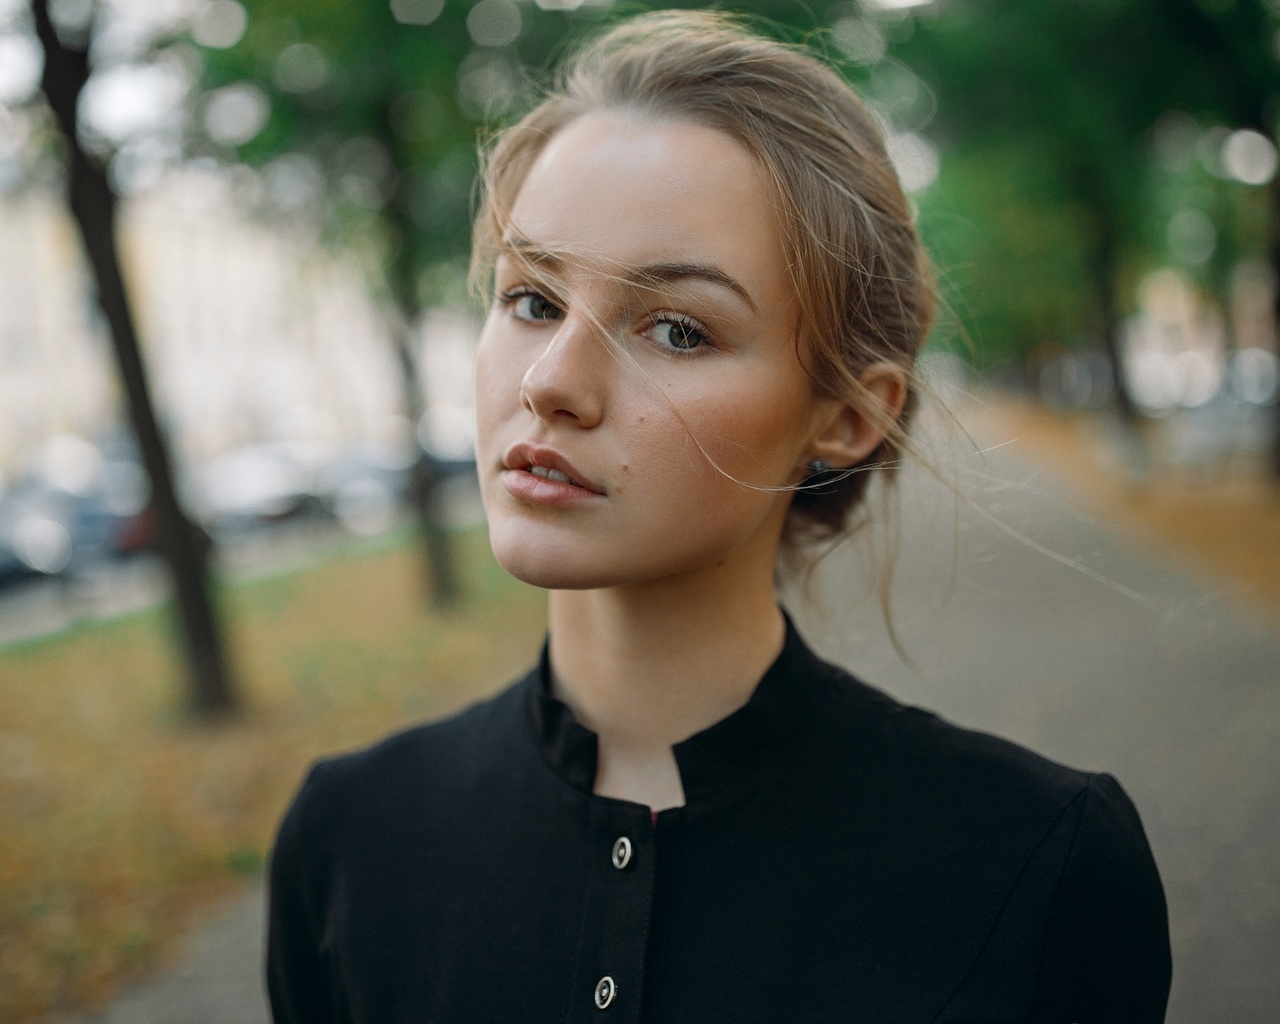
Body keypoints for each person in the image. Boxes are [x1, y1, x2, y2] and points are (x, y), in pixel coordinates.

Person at [266, 11, 1172, 1022]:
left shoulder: (1036, 863)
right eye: (530, 298)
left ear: (843, 417)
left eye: (676, 328)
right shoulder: (346, 839)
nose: (552, 383)